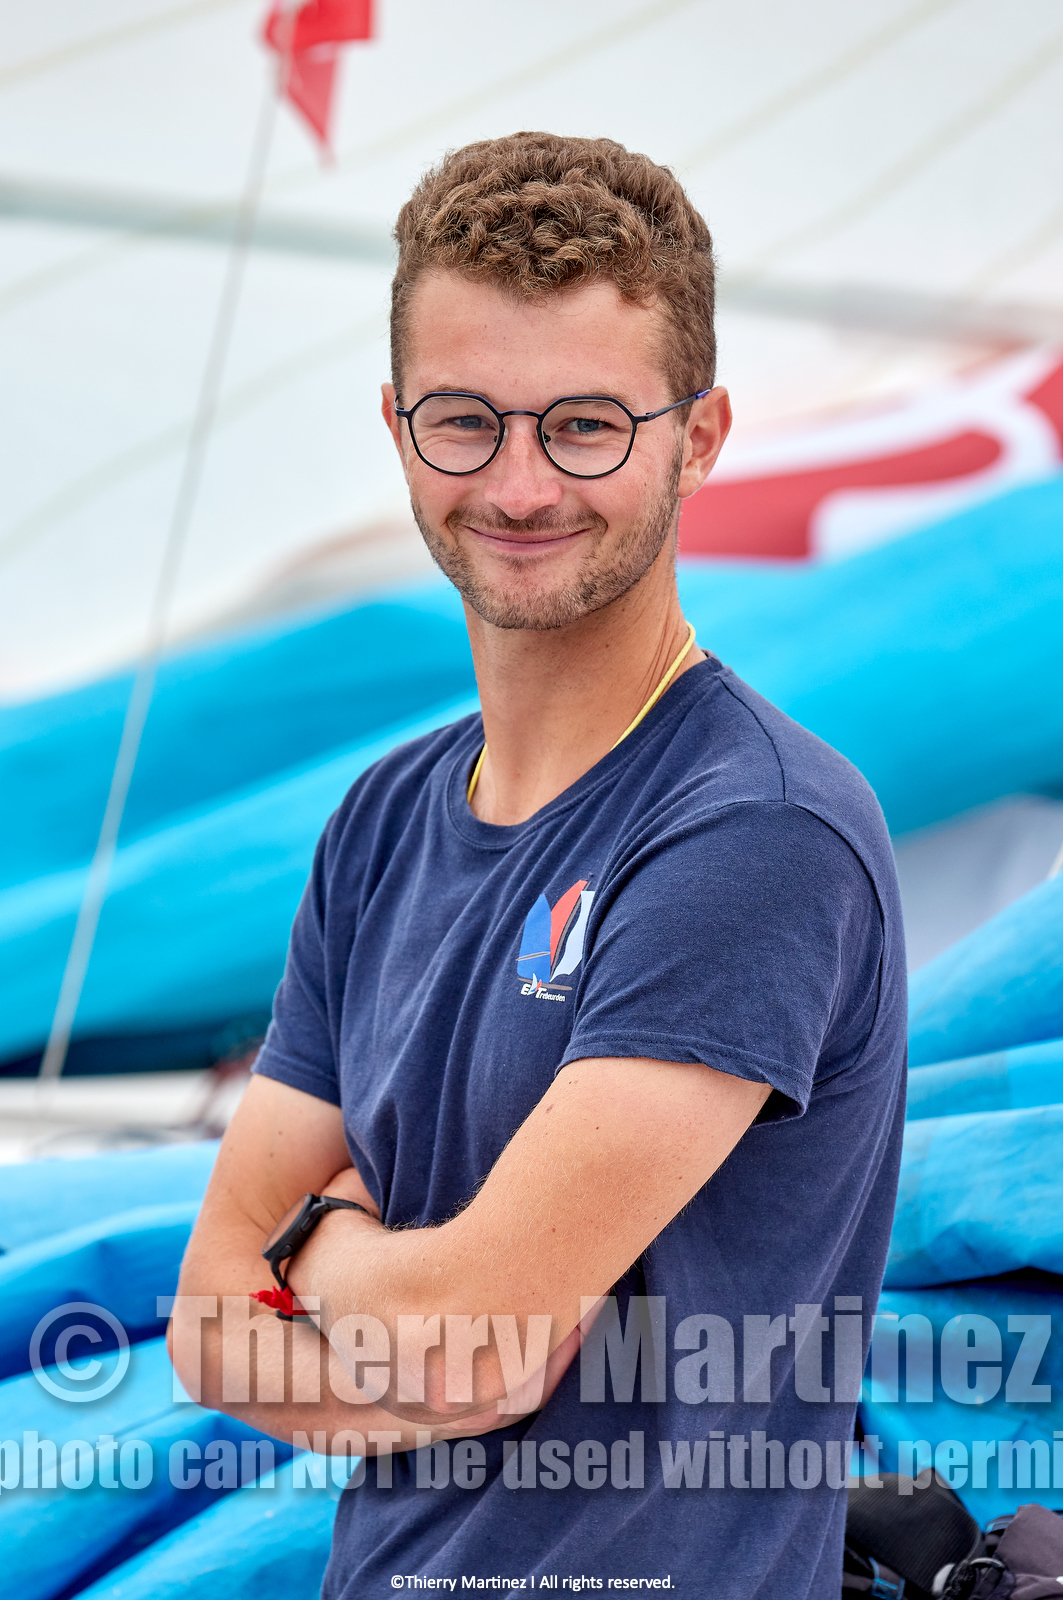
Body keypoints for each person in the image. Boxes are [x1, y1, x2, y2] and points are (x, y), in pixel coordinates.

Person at [170, 132, 907, 1598]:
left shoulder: (752, 830)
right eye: (465, 422)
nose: (517, 486)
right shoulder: (383, 821)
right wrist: (427, 1353)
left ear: (697, 437)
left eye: (585, 426)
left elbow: (471, 1342)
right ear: (397, 427)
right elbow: (207, 1323)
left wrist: (318, 1252)